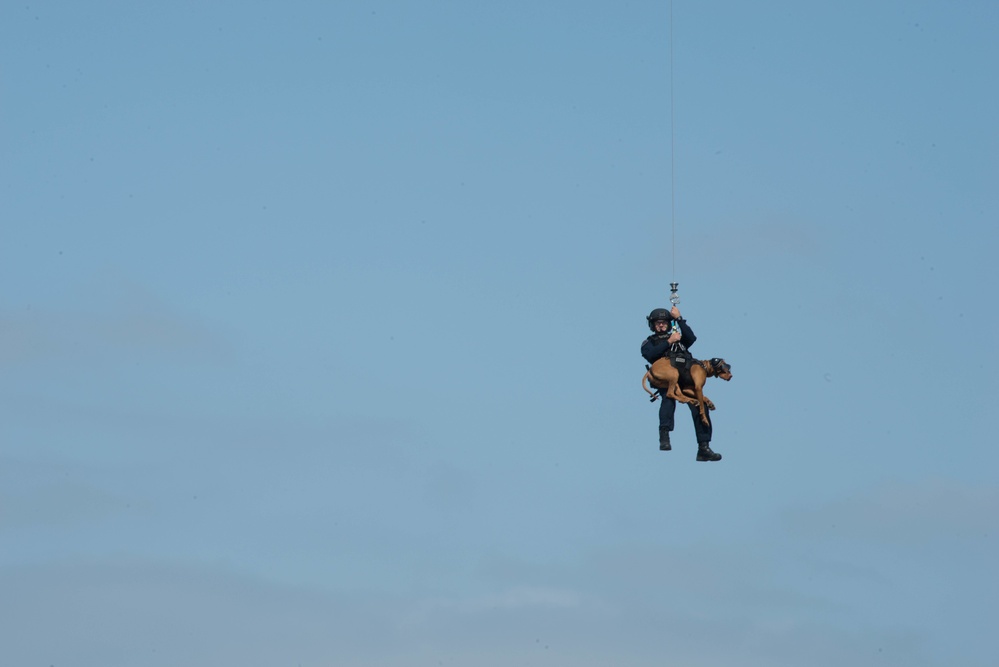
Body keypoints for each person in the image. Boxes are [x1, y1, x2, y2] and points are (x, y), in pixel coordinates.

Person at [641, 306, 722, 461]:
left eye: (664, 322)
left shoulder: (679, 339)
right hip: (666, 380)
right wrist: (668, 342)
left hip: (685, 379)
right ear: (652, 325)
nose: (661, 325)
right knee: (668, 399)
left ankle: (704, 447)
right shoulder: (650, 342)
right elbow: (649, 355)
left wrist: (679, 318)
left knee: (701, 406)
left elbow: (691, 337)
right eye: (658, 323)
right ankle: (664, 435)